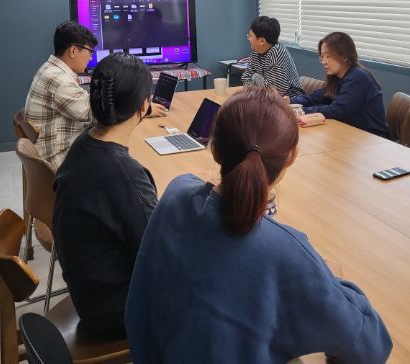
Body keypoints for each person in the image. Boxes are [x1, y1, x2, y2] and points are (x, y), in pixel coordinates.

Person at [126, 87, 392, 363]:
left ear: (214, 149)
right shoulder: (287, 252)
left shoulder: (176, 194)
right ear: (292, 156)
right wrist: (332, 282)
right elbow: (371, 348)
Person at [52, 53, 159, 335]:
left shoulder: (84, 144)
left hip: (88, 292)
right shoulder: (124, 174)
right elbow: (158, 256)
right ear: (144, 106)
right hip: (114, 311)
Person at [25, 21, 167, 169]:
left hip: (51, 149)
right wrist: (141, 107)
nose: (90, 58)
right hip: (58, 160)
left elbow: (87, 104)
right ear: (73, 51)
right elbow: (101, 114)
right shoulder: (60, 81)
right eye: (89, 52)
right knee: (129, 160)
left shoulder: (50, 69)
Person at [289, 32, 389, 138]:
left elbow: (336, 111)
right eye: (322, 57)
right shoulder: (337, 77)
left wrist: (300, 111)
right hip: (352, 135)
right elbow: (317, 97)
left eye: (328, 56)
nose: (324, 61)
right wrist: (290, 102)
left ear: (344, 56)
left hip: (373, 139)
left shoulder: (358, 77)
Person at [241, 16, 304, 97]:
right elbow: (245, 78)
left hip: (291, 100)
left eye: (250, 36)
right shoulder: (256, 50)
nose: (248, 38)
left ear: (262, 41)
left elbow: (274, 93)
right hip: (264, 97)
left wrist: (255, 77)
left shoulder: (277, 54)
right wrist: (257, 85)